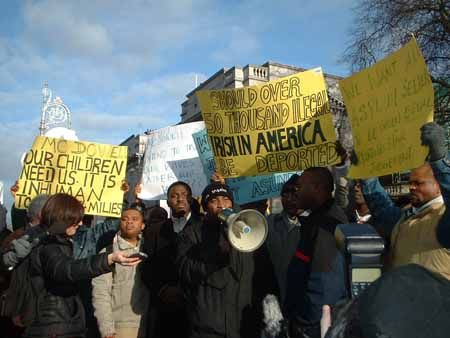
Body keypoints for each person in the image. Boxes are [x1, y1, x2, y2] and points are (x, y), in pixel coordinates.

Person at [22, 193, 141, 338]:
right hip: (53, 325)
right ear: (62, 217)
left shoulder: (60, 242)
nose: (80, 224)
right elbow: (66, 269)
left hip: (63, 322)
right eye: (76, 219)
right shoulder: (48, 246)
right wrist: (108, 259)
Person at [177, 182, 275, 338]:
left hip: (245, 324)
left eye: (225, 199)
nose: (221, 205)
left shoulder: (247, 227)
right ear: (205, 206)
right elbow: (185, 271)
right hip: (209, 327)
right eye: (214, 201)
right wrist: (217, 255)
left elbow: (264, 273)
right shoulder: (192, 234)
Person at [360, 122, 450, 278]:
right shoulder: (406, 217)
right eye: (410, 183)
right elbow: (381, 207)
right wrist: (365, 169)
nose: (412, 187)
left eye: (419, 183)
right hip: (401, 298)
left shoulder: (443, 217)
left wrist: (439, 158)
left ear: (438, 186)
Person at [285, 167, 348, 338]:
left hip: (314, 326)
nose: (296, 192)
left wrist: (305, 323)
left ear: (316, 188)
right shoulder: (316, 220)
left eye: (300, 186)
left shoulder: (327, 224)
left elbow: (325, 284)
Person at [141, 181, 201, 338]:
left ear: (191, 200)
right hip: (163, 307)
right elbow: (146, 265)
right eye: (174, 196)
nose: (180, 199)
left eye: (184, 195)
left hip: (197, 306)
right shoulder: (155, 230)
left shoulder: (203, 226)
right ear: (167, 202)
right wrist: (162, 290)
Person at [92, 206, 149, 338]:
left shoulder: (151, 249)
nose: (129, 222)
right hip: (122, 326)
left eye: (134, 219)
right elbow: (100, 294)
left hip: (150, 324)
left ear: (143, 225)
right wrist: (107, 329)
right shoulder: (108, 253)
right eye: (125, 219)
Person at [265, 174, 303, 307]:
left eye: (294, 194)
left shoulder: (314, 224)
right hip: (276, 299)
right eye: (285, 194)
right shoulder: (270, 223)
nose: (289, 199)